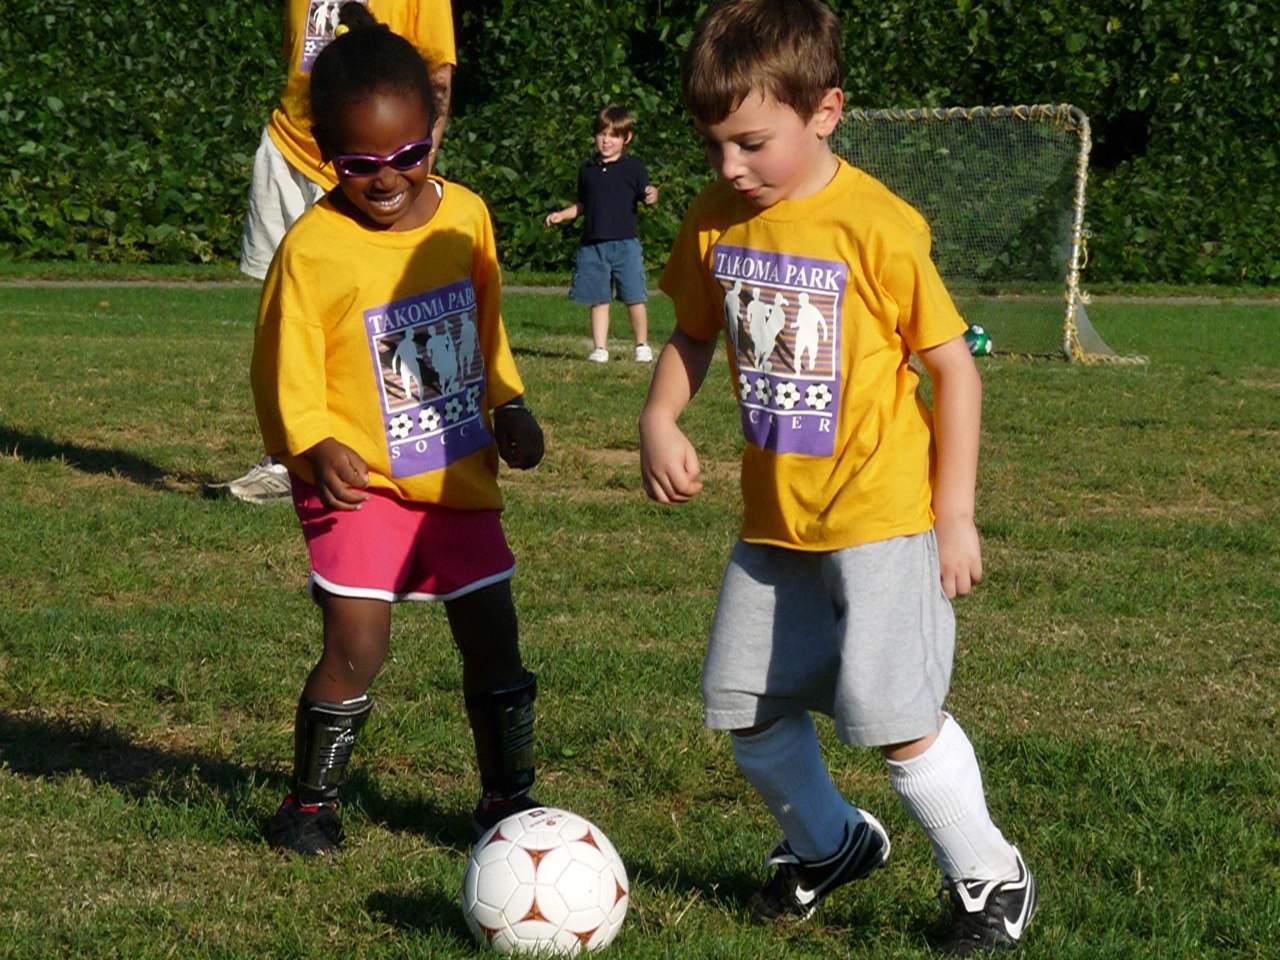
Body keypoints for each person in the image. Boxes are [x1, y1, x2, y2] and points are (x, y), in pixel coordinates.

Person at [637, 0, 1037, 953]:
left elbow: (954, 368)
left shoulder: (878, 224)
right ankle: (828, 846)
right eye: (713, 147)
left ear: (825, 111)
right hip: (774, 522)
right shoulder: (711, 220)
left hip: (882, 517)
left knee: (897, 723)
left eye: (752, 143)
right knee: (746, 709)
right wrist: (658, 416)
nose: (730, 167)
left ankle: (991, 875)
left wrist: (956, 514)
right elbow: (695, 333)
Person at [249, 4, 545, 856]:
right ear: (325, 154)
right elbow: (284, 362)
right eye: (359, 163)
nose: (386, 179)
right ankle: (310, 806)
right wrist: (310, 443)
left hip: (455, 476)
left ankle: (507, 798)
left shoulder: (468, 219)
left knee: (494, 635)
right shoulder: (314, 247)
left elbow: (487, 328)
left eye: (408, 156)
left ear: (434, 130)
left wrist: (510, 406)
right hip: (359, 483)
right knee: (358, 642)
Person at [213, 0, 456, 504]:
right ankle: (294, 452)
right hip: (296, 150)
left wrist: (416, 159)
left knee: (388, 311)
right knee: (288, 315)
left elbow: (437, 75)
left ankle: (397, 447)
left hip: (377, 162)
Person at [544, 105, 659, 364]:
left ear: (626, 138)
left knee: (634, 296)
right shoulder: (587, 170)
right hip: (593, 245)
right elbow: (584, 205)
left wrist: (653, 194)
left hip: (625, 245)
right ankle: (600, 348)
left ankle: (641, 344)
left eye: (613, 135)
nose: (606, 140)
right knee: (598, 298)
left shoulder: (634, 168)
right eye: (601, 134)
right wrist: (562, 215)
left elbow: (648, 195)